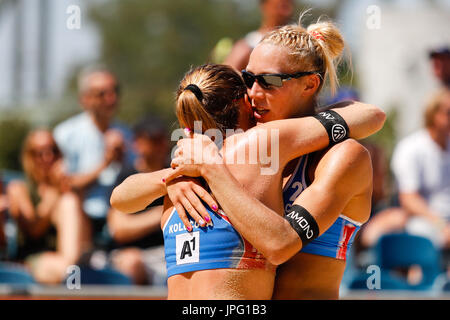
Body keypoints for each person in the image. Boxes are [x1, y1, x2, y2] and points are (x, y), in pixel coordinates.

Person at [111, 63, 385, 298]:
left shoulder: (182, 172)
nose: (257, 95)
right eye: (250, 85)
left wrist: (172, 177)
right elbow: (371, 115)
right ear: (243, 103)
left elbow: (119, 198)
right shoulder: (261, 145)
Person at [164, 18, 382, 299]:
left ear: (310, 84)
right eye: (248, 79)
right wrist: (172, 180)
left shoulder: (344, 156)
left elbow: (280, 246)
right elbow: (124, 195)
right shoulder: (250, 145)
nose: (253, 93)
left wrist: (211, 169)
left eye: (269, 81)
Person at [53, 66, 135, 251]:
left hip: (117, 218)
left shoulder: (126, 133)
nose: (111, 99)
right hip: (81, 218)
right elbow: (65, 185)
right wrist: (106, 163)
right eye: (102, 94)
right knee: (69, 203)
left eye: (115, 91)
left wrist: (122, 164)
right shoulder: (66, 134)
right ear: (85, 99)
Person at [6, 129, 91, 284]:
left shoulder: (66, 191)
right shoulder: (19, 188)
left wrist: (73, 193)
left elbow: (86, 239)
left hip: (69, 261)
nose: (48, 157)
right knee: (69, 271)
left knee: (69, 202)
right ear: (29, 157)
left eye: (53, 150)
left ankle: (71, 268)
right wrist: (55, 192)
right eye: (40, 153)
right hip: (32, 259)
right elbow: (33, 229)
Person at [106, 116, 170, 285]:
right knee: (131, 262)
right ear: (137, 143)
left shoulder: (176, 171)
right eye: (152, 140)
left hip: (169, 251)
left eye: (161, 139)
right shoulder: (126, 176)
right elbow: (119, 229)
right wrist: (163, 213)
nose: (159, 146)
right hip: (133, 253)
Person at [390, 89, 450, 250]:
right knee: (423, 236)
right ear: (433, 114)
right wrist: (440, 224)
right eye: (448, 113)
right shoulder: (411, 148)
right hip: (426, 221)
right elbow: (409, 199)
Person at [222, 0, 294, 71]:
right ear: (265, 6)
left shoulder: (299, 42)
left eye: (289, 3)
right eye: (282, 6)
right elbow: (223, 78)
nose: (287, 12)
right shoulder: (249, 45)